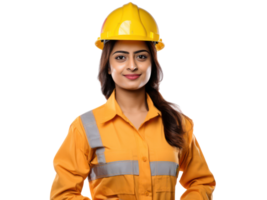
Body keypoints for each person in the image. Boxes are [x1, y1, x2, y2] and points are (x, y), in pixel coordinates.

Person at [49, 1, 217, 200]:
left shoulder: (178, 123)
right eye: (120, 57)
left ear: (152, 64)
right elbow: (63, 194)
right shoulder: (85, 126)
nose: (132, 66)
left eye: (141, 56)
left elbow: (201, 181)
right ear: (108, 66)